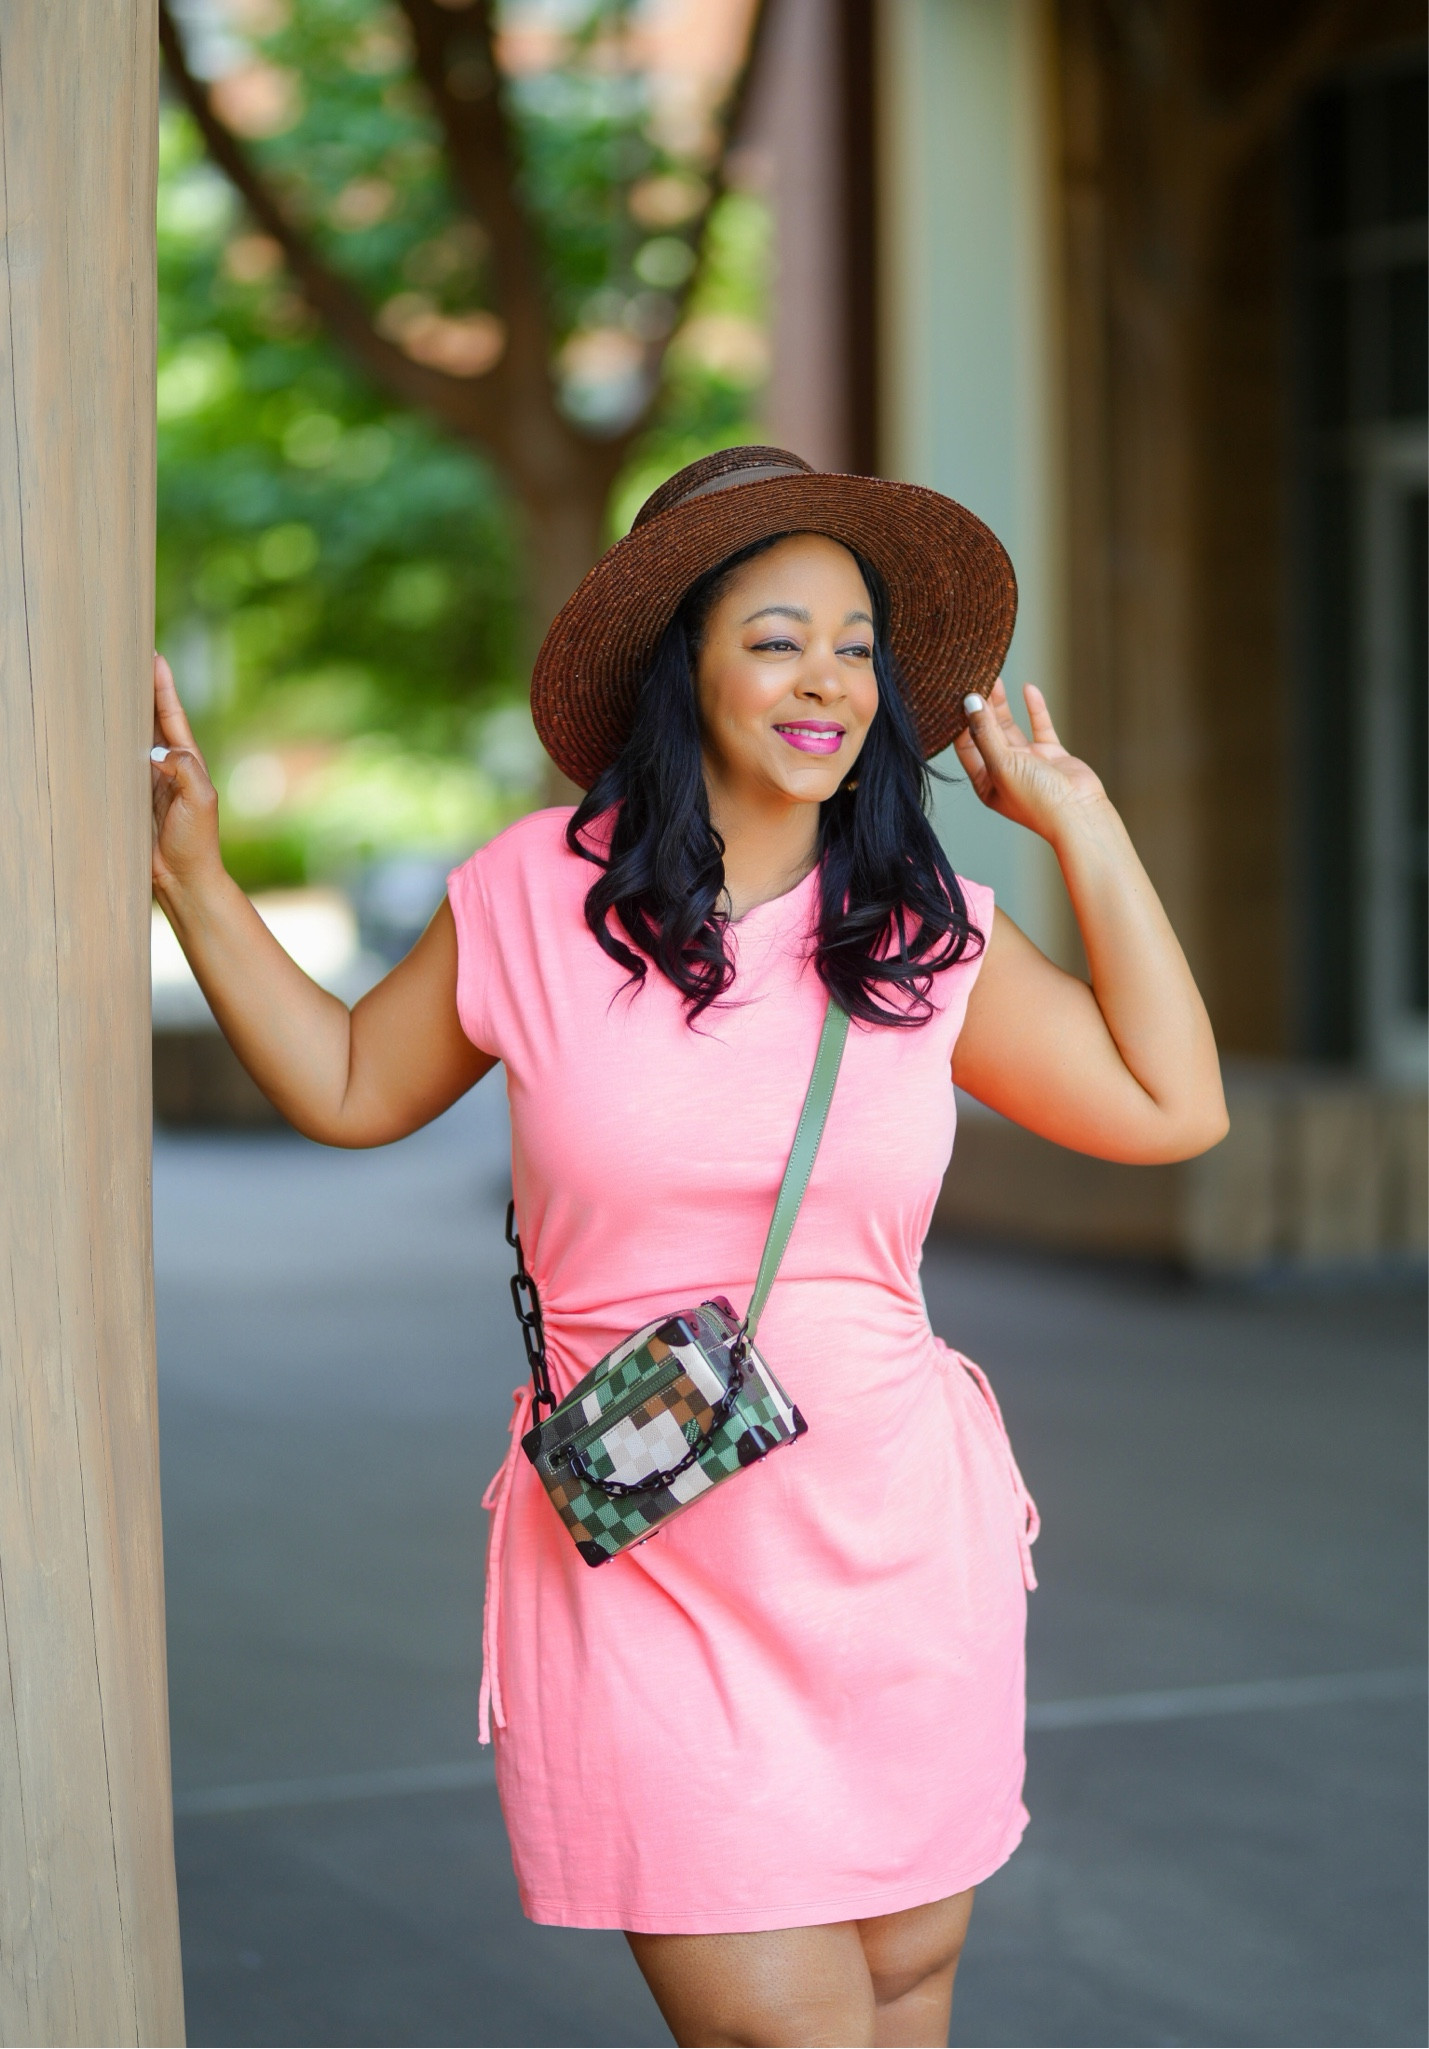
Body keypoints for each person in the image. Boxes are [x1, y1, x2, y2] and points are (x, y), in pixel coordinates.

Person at [151, 445, 1227, 2048]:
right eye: (777, 635)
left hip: (893, 1550)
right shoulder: (534, 894)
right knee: (781, 2025)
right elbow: (353, 1083)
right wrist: (195, 884)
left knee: (901, 1986)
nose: (830, 680)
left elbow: (1167, 1105)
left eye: (858, 643)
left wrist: (1078, 825)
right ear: (683, 663)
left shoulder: (919, 928)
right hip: (646, 1549)